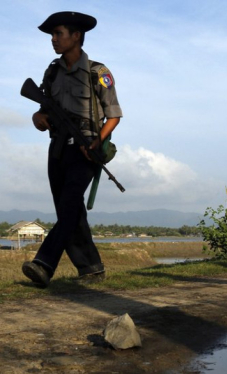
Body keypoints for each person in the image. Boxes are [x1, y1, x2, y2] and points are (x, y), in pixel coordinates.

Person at [22, 11, 122, 288]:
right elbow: (42, 111)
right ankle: (91, 267)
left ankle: (44, 264)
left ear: (76, 36)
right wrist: (37, 119)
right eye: (52, 35)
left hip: (85, 148)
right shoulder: (52, 71)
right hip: (57, 148)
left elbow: (114, 115)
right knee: (70, 208)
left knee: (68, 205)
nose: (53, 40)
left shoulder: (98, 73)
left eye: (59, 34)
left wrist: (95, 141)